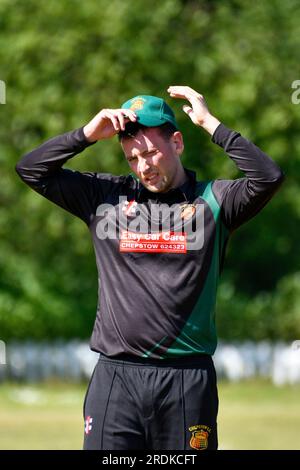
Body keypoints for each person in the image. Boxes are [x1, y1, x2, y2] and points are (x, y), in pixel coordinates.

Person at [15, 86, 284, 450]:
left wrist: (210, 123)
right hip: (116, 379)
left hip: (186, 381)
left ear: (177, 143)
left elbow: (268, 177)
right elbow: (31, 169)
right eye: (132, 158)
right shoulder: (104, 197)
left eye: (152, 152)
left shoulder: (214, 202)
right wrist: (86, 135)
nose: (143, 166)